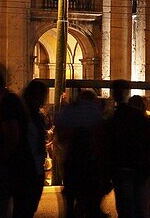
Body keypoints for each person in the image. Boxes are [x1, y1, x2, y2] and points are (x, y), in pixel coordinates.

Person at [0, 63, 33, 218]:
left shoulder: (7, 102)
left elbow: (12, 137)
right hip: (15, 165)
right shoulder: (9, 100)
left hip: (12, 167)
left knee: (1, 210)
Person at [56, 89, 108, 218]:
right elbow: (100, 135)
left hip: (71, 159)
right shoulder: (94, 111)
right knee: (90, 198)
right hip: (89, 161)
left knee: (71, 196)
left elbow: (60, 133)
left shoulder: (68, 110)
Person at [19, 79, 49, 218]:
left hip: (36, 167)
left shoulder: (38, 117)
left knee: (29, 208)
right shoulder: (24, 116)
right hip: (27, 167)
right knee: (25, 207)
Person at [127, 95, 150, 218]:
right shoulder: (148, 122)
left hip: (127, 165)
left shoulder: (124, 124)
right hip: (144, 165)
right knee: (143, 198)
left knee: (129, 200)